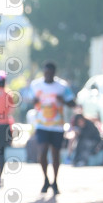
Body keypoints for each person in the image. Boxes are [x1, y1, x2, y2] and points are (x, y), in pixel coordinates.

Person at [27, 61, 76, 194]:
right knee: (42, 152)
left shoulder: (62, 86)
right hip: (41, 124)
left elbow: (72, 103)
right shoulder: (36, 85)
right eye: (46, 73)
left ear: (54, 73)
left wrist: (63, 101)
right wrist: (34, 101)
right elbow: (31, 99)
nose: (48, 75)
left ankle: (55, 182)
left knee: (55, 154)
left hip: (57, 126)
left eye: (50, 73)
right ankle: (46, 180)